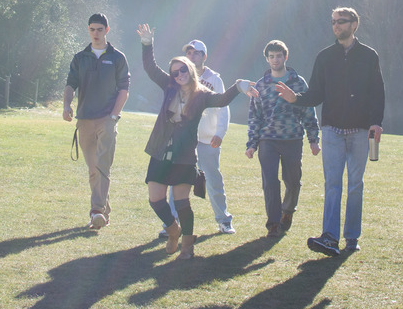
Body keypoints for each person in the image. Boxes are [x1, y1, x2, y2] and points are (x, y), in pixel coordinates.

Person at [137, 24, 258, 260]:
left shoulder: (202, 94)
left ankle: (187, 246)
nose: (179, 74)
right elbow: (150, 68)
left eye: (183, 70)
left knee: (182, 202)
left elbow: (222, 100)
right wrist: (146, 44)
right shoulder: (169, 85)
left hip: (184, 155)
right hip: (161, 150)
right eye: (175, 72)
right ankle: (173, 230)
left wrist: (239, 86)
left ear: (191, 69)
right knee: (155, 199)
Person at [276, 7, 384, 256]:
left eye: (341, 22)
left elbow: (378, 92)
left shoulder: (369, 56)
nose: (336, 26)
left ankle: (352, 238)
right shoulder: (324, 57)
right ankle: (330, 237)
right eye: (333, 22)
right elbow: (315, 94)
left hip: (359, 130)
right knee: (332, 184)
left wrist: (376, 122)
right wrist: (296, 98)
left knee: (355, 185)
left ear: (354, 24)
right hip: (332, 130)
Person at [246, 40, 320, 237]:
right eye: (271, 56)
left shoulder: (298, 82)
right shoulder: (261, 85)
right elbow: (255, 116)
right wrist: (252, 144)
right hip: (268, 139)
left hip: (292, 139)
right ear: (267, 59)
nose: (275, 59)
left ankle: (287, 211)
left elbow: (308, 111)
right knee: (270, 181)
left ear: (285, 57)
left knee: (293, 181)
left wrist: (313, 139)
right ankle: (273, 223)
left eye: (279, 56)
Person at [63, 13, 130, 229]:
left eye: (99, 29)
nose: (95, 33)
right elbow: (70, 84)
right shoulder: (80, 57)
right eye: (92, 29)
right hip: (84, 120)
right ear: (88, 30)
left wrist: (113, 116)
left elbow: (124, 89)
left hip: (107, 119)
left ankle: (96, 211)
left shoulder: (118, 57)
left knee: (102, 166)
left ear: (107, 30)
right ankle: (104, 211)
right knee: (93, 169)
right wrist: (66, 105)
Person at [183, 39, 236, 234]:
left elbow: (223, 107)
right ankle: (171, 224)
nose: (191, 56)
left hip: (207, 139)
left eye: (196, 53)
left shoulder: (214, 79)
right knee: (177, 181)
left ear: (204, 56)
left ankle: (224, 220)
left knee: (213, 180)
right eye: (189, 52)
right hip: (184, 139)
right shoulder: (180, 75)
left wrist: (220, 133)